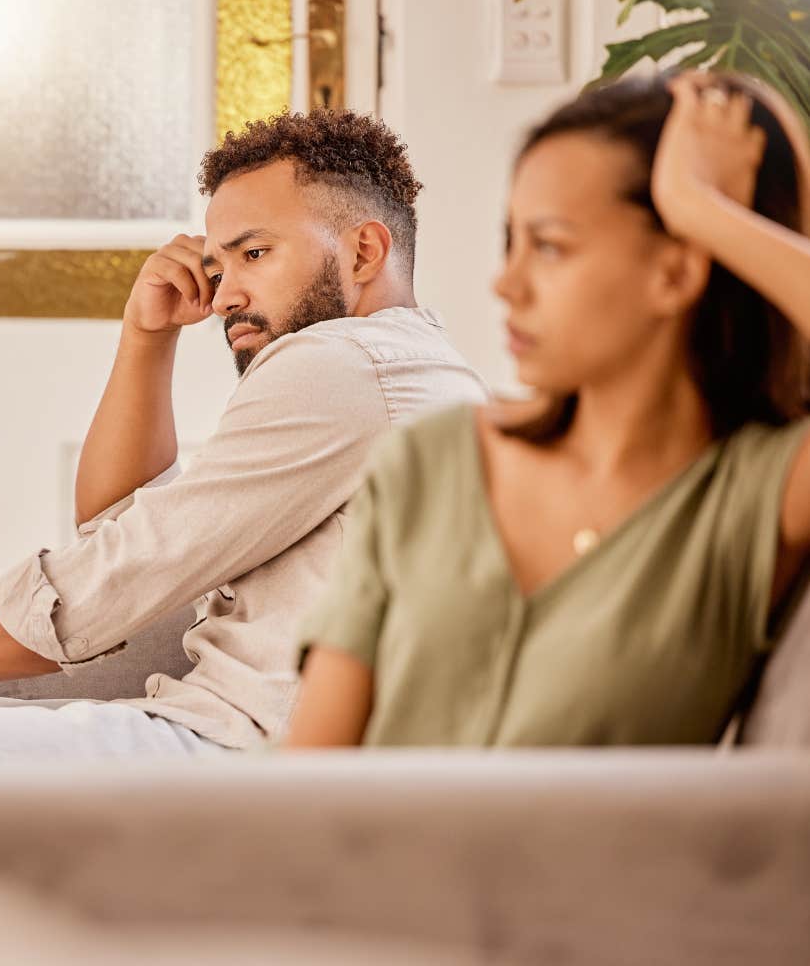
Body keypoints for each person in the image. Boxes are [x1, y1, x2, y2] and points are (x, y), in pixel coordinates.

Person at [286, 71, 810, 748]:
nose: (506, 283)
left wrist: (702, 211)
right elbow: (310, 770)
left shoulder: (755, 497)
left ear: (678, 272)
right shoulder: (430, 461)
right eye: (513, 241)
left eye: (551, 246)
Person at [0, 109, 488, 757]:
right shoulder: (405, 365)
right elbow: (124, 532)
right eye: (217, 269)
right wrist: (147, 335)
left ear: (364, 251)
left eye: (254, 254)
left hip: (239, 755)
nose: (221, 298)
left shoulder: (342, 365)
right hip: (216, 729)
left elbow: (100, 588)